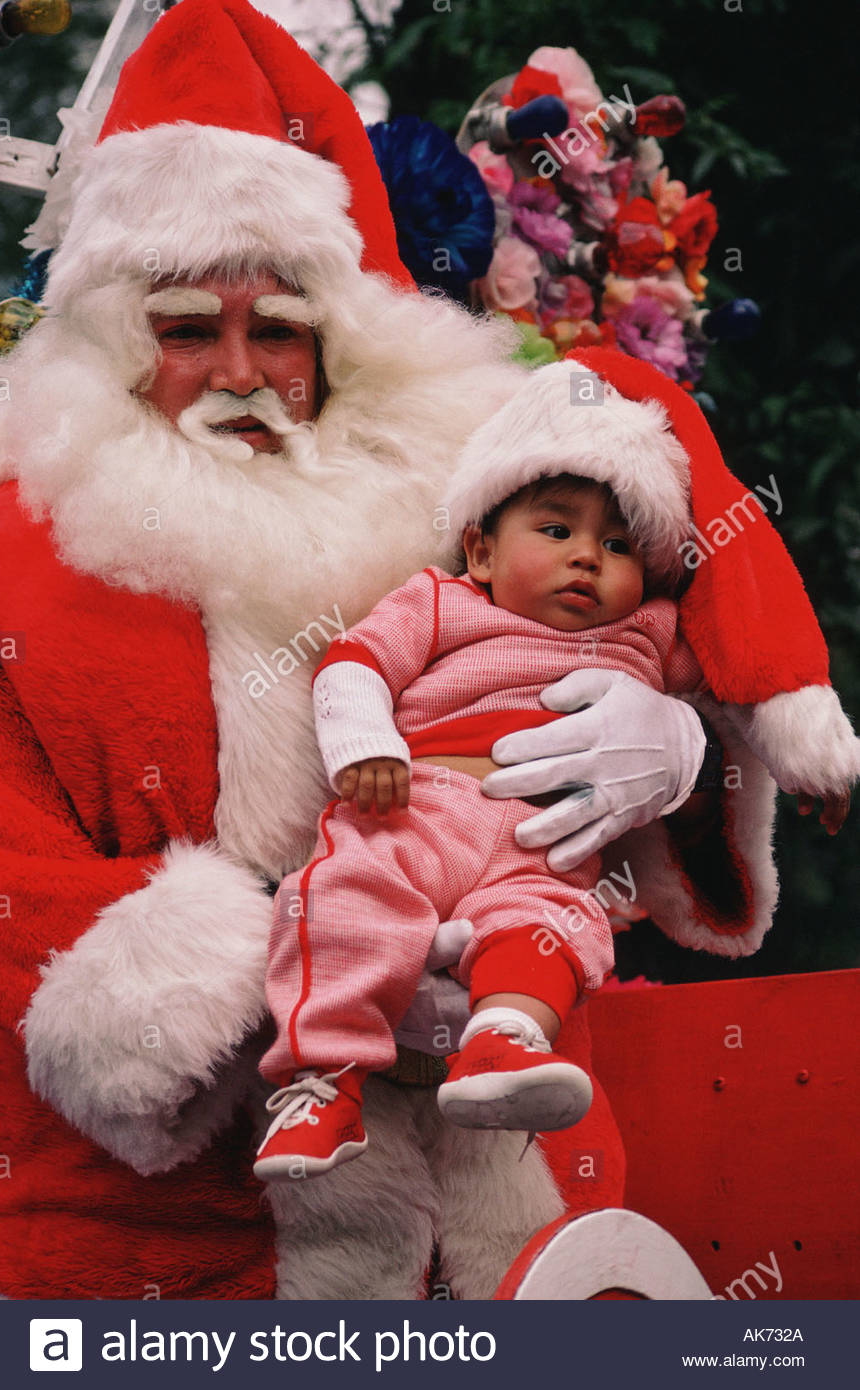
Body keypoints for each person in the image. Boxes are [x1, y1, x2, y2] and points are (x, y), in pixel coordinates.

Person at [0, 0, 855, 1301]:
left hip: (509, 1212)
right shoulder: (14, 544)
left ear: (343, 335)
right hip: (171, 1244)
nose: (237, 369)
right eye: (183, 330)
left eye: (279, 328)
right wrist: (262, 969)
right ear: (115, 338)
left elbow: (653, 509)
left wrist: (678, 730)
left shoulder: (461, 490)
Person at [254, 357, 853, 1181]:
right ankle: (323, 1081)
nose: (586, 558)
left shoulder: (650, 630)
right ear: (481, 550)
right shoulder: (440, 600)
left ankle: (504, 1042)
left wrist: (813, 763)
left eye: (616, 544)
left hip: (547, 845)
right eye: (556, 529)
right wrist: (366, 748)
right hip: (417, 809)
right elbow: (354, 665)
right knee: (338, 900)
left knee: (554, 929)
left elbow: (745, 682)